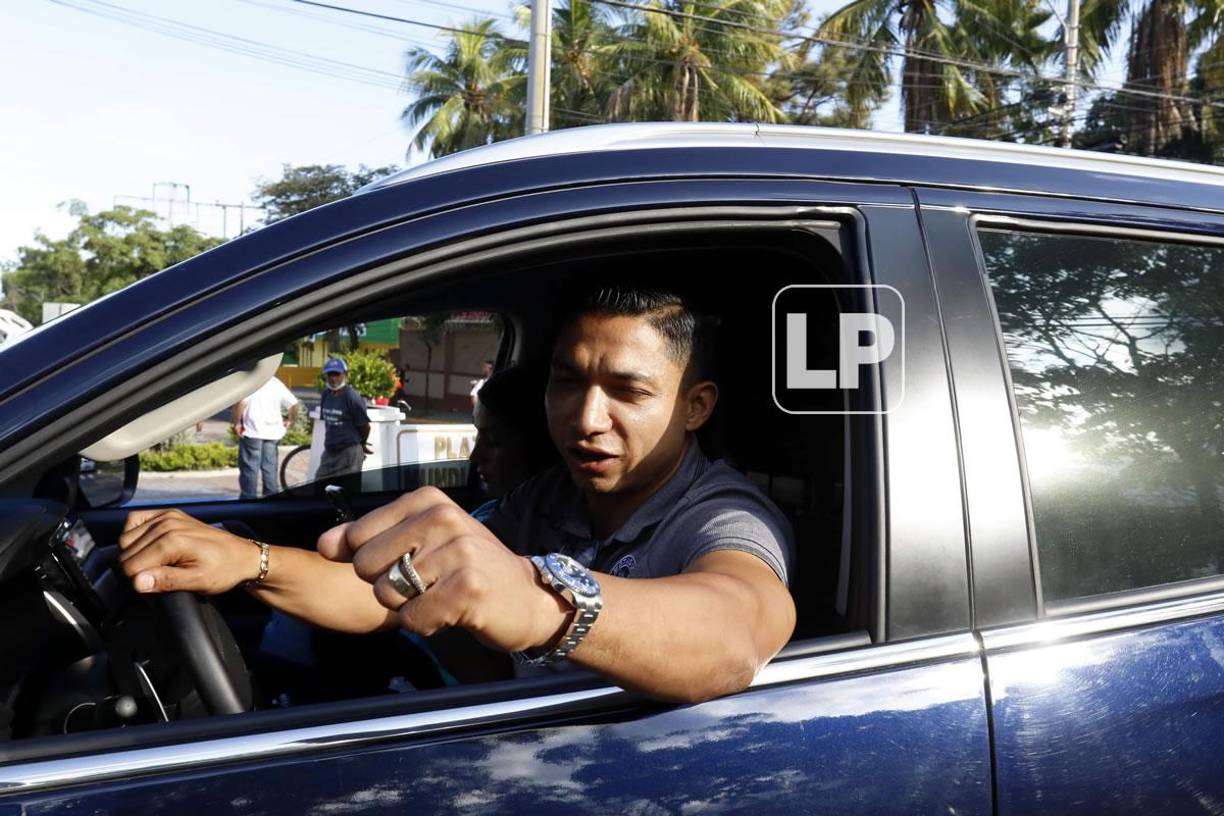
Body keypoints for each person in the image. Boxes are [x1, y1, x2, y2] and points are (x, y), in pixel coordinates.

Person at [118, 288, 796, 703]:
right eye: (567, 383)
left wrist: (539, 602)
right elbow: (391, 591)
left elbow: (737, 629)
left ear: (695, 407)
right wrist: (247, 561)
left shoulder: (722, 513)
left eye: (629, 391)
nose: (586, 418)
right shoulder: (547, 499)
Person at [468, 364, 558, 522]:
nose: (474, 456)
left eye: (493, 441)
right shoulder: (496, 510)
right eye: (477, 435)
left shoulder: (540, 535)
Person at [232, 376, 300, 499]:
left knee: (250, 468)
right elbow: (294, 404)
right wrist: (290, 420)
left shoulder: (253, 381)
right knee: (270, 467)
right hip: (272, 432)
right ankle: (271, 500)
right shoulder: (276, 383)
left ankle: (248, 500)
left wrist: (237, 422)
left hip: (252, 431)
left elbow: (242, 402)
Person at [315, 358, 371, 482]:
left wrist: (362, 444)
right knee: (319, 485)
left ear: (345, 375)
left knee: (347, 491)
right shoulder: (326, 395)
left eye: (337, 374)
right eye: (330, 374)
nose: (333, 378)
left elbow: (365, 426)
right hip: (330, 451)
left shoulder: (351, 396)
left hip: (349, 452)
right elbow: (329, 422)